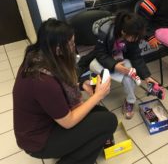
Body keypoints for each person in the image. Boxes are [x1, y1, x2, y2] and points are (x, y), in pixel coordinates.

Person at [13, 19, 118, 164]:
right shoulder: (42, 81)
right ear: (58, 49)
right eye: (71, 44)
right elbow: (68, 122)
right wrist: (98, 95)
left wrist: (81, 85)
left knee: (102, 114)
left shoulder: (37, 56)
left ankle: (76, 148)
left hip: (47, 121)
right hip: (39, 141)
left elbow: (60, 84)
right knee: (109, 121)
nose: (74, 47)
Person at [78, 11, 163, 120]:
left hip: (121, 58)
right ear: (123, 32)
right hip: (105, 58)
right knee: (93, 65)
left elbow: (135, 56)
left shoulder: (133, 35)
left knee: (129, 74)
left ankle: (129, 101)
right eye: (134, 37)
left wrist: (147, 77)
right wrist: (115, 66)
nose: (136, 40)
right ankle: (106, 82)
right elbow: (100, 54)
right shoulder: (105, 31)